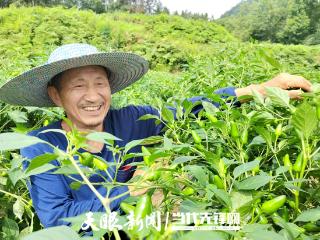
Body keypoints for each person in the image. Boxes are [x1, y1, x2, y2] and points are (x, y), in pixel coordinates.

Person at [0, 43, 312, 230]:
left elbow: (188, 110)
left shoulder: (132, 120)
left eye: (100, 83)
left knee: (230, 222)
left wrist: (257, 90)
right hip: (107, 230)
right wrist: (133, 193)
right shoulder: (41, 144)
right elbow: (58, 220)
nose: (93, 96)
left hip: (151, 224)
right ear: (56, 96)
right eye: (78, 86)